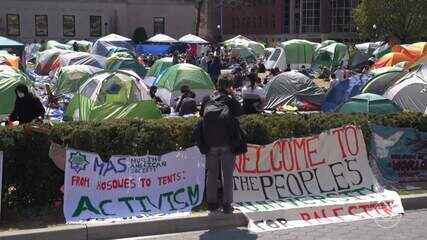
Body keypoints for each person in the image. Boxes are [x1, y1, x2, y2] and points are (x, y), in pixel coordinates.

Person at [199, 76, 243, 213]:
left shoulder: (208, 99)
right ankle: (227, 204)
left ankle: (211, 203)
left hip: (210, 142)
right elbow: (239, 113)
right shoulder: (229, 100)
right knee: (227, 174)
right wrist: (233, 96)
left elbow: (201, 115)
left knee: (211, 173)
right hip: (227, 143)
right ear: (229, 86)